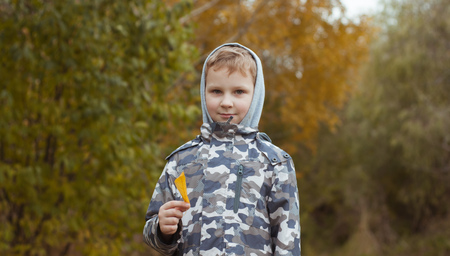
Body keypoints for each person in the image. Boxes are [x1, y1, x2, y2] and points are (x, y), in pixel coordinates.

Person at [143, 43, 301, 255]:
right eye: (216, 91)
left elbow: (287, 241)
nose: (227, 102)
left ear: (255, 95)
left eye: (239, 92)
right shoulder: (182, 161)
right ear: (203, 92)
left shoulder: (274, 162)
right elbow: (151, 232)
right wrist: (163, 229)